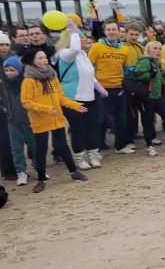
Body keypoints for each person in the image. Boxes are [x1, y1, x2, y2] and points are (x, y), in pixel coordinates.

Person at [19, 48, 88, 193]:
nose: (44, 60)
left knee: (63, 146)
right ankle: (41, 179)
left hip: (56, 118)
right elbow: (26, 102)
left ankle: (73, 172)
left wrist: (75, 105)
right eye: (40, 58)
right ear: (32, 61)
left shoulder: (52, 76)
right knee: (41, 150)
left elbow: (60, 97)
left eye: (45, 57)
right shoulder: (29, 81)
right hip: (40, 121)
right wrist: (46, 109)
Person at [54, 20, 107, 169]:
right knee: (78, 129)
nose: (85, 38)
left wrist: (98, 86)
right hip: (73, 99)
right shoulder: (65, 53)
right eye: (81, 36)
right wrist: (73, 29)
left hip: (89, 97)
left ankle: (93, 154)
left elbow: (90, 74)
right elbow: (75, 48)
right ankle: (79, 157)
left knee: (92, 128)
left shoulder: (84, 54)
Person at [88, 20, 134, 153]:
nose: (112, 32)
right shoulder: (97, 47)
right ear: (104, 32)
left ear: (119, 32)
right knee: (100, 118)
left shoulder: (124, 49)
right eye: (109, 30)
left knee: (121, 118)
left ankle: (120, 145)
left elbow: (127, 69)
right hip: (101, 88)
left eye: (114, 29)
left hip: (119, 87)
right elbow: (89, 67)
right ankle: (98, 146)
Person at [132, 41, 165, 155]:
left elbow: (157, 79)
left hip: (157, 96)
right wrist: (150, 74)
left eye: (159, 49)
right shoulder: (145, 61)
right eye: (155, 48)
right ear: (148, 50)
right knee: (148, 121)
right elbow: (136, 75)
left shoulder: (155, 62)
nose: (158, 51)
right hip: (147, 97)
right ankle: (149, 146)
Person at [1, 56, 38, 186]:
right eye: (6, 70)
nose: (9, 73)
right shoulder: (3, 83)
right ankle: (21, 172)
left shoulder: (27, 82)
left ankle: (39, 168)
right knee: (16, 148)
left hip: (29, 120)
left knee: (34, 145)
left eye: (12, 69)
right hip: (12, 120)